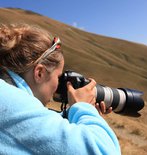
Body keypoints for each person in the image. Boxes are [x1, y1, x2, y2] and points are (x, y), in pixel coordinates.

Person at [0, 24, 121, 155]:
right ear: (39, 73)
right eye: (58, 76)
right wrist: (84, 109)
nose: (59, 85)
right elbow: (104, 151)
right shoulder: (9, 100)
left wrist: (75, 115)